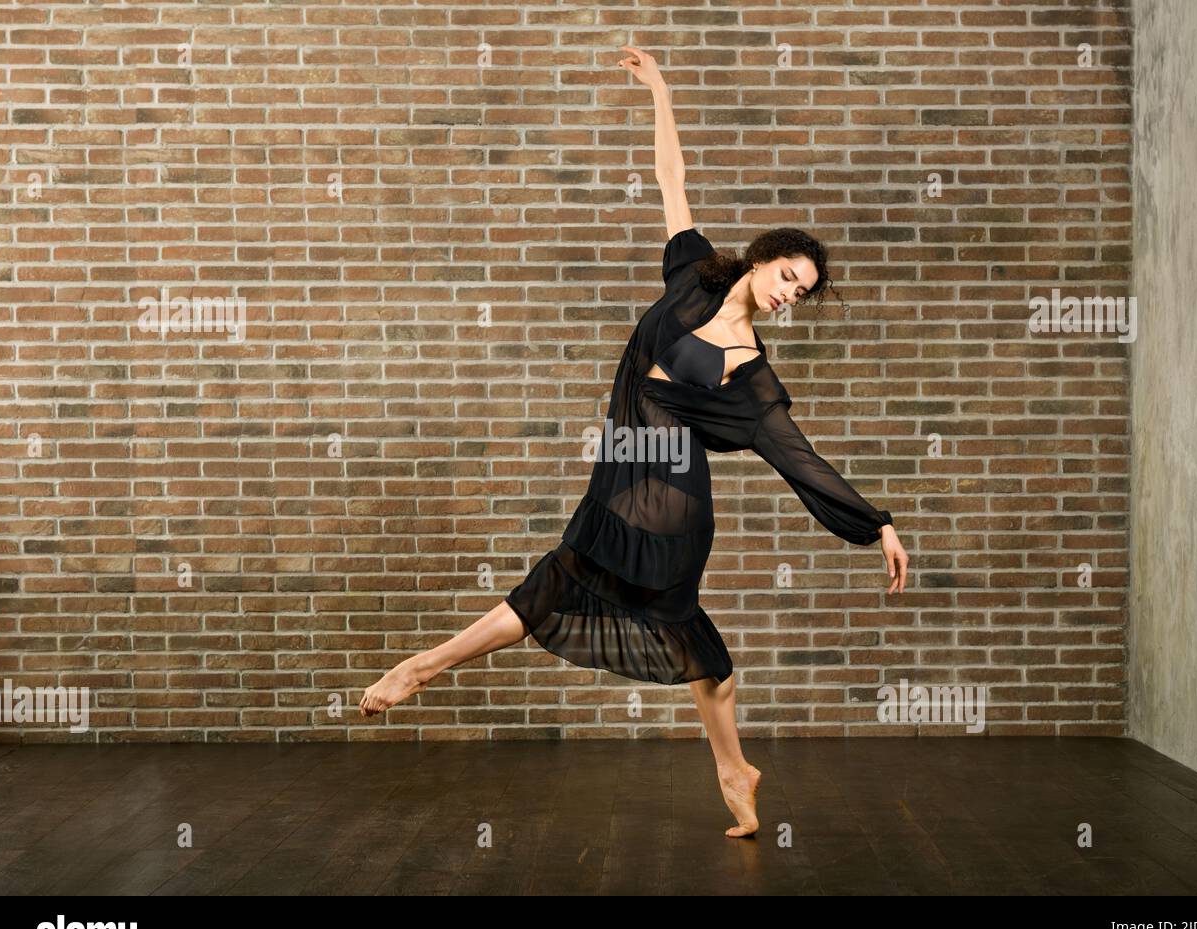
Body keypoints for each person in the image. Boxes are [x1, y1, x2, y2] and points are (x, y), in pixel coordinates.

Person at [360, 46, 909, 838]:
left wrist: (876, 521)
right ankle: (732, 765)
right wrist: (661, 90)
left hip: (668, 501)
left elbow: (801, 460)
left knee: (573, 587)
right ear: (761, 257)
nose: (789, 295)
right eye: (788, 275)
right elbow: (671, 178)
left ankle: (421, 668)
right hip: (622, 477)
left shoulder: (749, 376)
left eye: (801, 292)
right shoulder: (693, 275)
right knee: (686, 648)